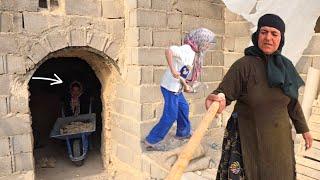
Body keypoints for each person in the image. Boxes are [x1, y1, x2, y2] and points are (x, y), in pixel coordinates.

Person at [205, 14, 313, 180]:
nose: (268, 38)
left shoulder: (286, 66)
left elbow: (292, 103)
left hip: (279, 140)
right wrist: (217, 101)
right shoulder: (244, 65)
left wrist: (304, 129)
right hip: (248, 136)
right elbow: (224, 94)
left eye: (274, 34)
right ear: (257, 35)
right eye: (264, 32)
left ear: (281, 39)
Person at [144, 28, 216, 151]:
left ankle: (183, 133)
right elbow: (169, 51)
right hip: (170, 88)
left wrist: (186, 85)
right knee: (170, 115)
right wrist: (172, 70)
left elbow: (184, 71)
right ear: (201, 41)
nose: (209, 46)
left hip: (177, 87)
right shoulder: (186, 50)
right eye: (208, 43)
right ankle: (151, 140)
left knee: (183, 108)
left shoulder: (195, 53)